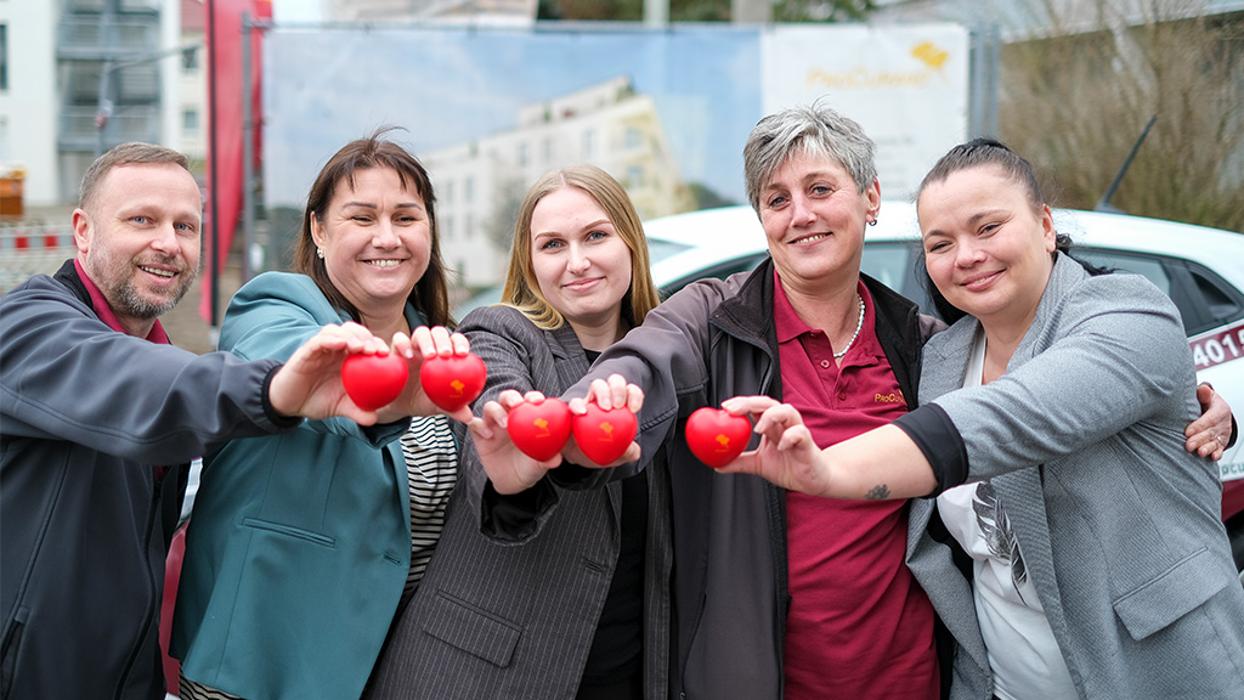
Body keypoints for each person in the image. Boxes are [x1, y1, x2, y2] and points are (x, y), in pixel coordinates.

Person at [484, 104, 1235, 698]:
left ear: (871, 200)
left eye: (820, 189)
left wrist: (1198, 408)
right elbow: (642, 366)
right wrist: (573, 423)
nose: (800, 213)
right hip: (764, 677)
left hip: (935, 676)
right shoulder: (720, 317)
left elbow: (1026, 405)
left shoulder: (924, 344)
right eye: (776, 199)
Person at [715, 139, 1244, 698]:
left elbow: (1015, 415)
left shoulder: (1129, 312)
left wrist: (826, 475)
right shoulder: (940, 357)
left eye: (988, 228)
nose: (965, 256)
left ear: (1044, 225)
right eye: (940, 243)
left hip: (1155, 675)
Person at [0, 143, 410, 699]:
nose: (167, 244)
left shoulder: (154, 352)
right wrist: (275, 390)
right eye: (141, 220)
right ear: (82, 231)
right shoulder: (28, 326)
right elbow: (138, 382)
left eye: (186, 227)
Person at [172, 133, 472, 700]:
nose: (387, 237)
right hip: (264, 666)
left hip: (402, 672)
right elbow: (294, 368)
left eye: (406, 217)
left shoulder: (447, 350)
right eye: (362, 217)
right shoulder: (274, 307)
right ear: (318, 229)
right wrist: (364, 385)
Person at [367, 165, 669, 699]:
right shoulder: (498, 333)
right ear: (529, 264)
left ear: (631, 242)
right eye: (553, 245)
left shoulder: (666, 353)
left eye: (596, 236)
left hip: (626, 670)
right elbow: (495, 434)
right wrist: (522, 467)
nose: (578, 262)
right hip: (481, 674)